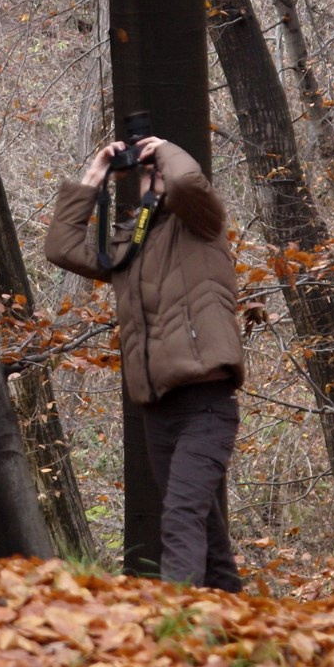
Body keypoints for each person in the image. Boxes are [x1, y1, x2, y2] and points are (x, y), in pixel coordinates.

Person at [45, 136, 244, 591]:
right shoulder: (130, 245)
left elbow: (190, 184)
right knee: (202, 526)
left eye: (158, 172)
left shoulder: (201, 226)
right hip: (157, 408)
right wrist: (95, 177)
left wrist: (167, 148)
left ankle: (174, 621)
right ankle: (239, 625)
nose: (154, 179)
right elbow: (61, 248)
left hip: (207, 400)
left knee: (180, 514)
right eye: (146, 174)